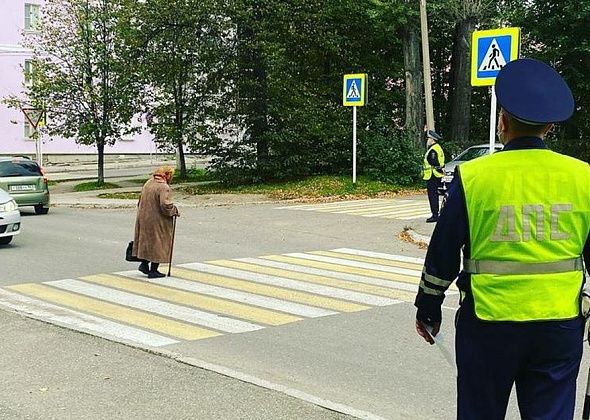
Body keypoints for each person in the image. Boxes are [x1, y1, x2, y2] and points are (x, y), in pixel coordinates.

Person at [414, 58, 590, 419]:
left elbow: (443, 253)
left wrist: (428, 307)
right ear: (550, 127)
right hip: (559, 327)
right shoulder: (582, 176)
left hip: (488, 326)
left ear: (502, 121)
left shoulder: (475, 177)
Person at [132, 165, 180, 278]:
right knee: (158, 242)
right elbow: (165, 205)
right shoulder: (163, 187)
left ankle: (144, 264)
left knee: (146, 242)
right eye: (171, 175)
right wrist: (174, 210)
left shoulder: (148, 183)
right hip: (157, 220)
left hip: (143, 217)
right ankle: (154, 270)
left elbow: (139, 201)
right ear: (167, 175)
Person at [423, 129, 445, 223]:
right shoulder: (437, 148)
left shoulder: (433, 150)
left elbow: (434, 163)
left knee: (433, 196)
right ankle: (436, 214)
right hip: (436, 175)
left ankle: (435, 215)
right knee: (435, 195)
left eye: (428, 139)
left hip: (432, 175)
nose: (427, 140)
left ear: (432, 139)